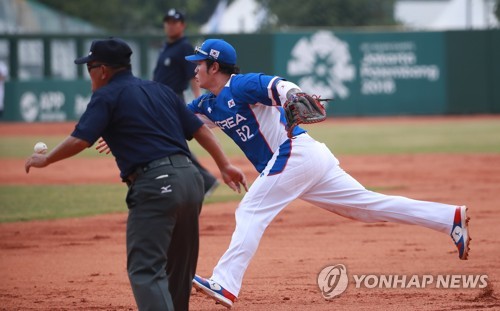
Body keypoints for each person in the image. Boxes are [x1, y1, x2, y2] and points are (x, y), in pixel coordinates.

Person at [182, 39, 471, 308]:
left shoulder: (241, 85)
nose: (195, 69)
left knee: (251, 210)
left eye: (199, 63)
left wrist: (294, 94)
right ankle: (449, 218)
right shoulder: (208, 105)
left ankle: (225, 282)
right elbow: (181, 118)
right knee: (366, 208)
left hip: (295, 152)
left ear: (215, 67)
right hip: (303, 160)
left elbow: (278, 86)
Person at [24, 38, 247, 311]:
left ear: (102, 70)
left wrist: (46, 159)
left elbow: (80, 140)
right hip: (191, 181)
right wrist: (224, 165)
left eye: (90, 67)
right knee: (179, 271)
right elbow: (198, 129)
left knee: (145, 269)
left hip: (155, 186)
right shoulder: (159, 90)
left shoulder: (106, 95)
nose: (89, 74)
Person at [153, 8, 219, 198]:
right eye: (168, 22)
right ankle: (203, 181)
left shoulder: (183, 47)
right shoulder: (166, 46)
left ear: (182, 25)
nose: (170, 25)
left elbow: (193, 76)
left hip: (172, 99)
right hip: (159, 100)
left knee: (173, 141)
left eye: (174, 22)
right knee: (172, 141)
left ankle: (204, 180)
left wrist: (198, 100)